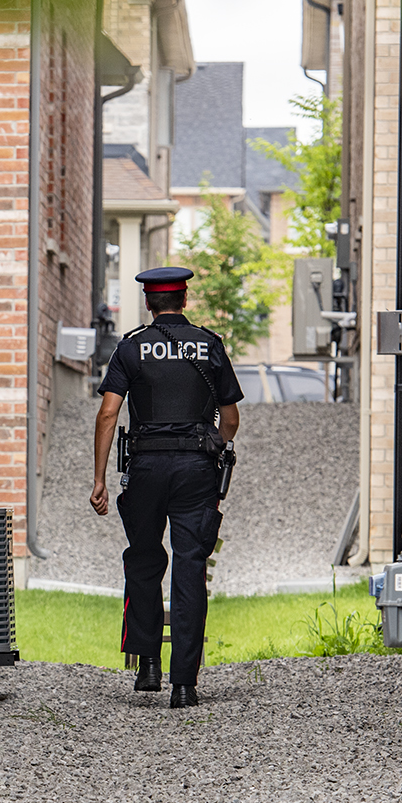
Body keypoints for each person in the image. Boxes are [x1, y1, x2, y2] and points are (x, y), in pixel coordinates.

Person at [89, 266, 243, 707]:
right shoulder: (209, 345)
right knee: (190, 565)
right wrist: (214, 445)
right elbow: (230, 419)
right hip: (196, 468)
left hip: (146, 468)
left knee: (143, 559)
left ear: (148, 304)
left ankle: (148, 665)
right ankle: (184, 684)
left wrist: (100, 478)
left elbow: (107, 415)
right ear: (185, 299)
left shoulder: (132, 347)